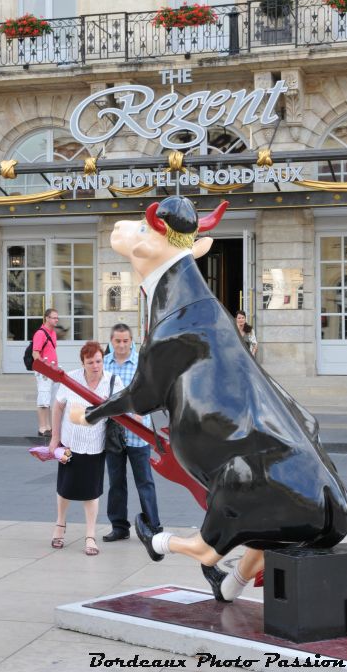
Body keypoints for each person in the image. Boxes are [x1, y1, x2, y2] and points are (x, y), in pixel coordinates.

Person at [68, 196, 347, 601]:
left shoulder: (176, 325)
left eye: (142, 230)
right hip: (316, 498)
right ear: (195, 247)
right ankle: (230, 589)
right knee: (265, 531)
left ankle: (162, 543)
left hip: (257, 471)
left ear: (152, 248)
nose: (127, 232)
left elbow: (143, 396)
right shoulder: (202, 312)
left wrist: (90, 415)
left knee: (226, 529)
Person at [48, 341, 123, 555]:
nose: (95, 366)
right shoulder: (71, 379)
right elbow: (58, 406)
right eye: (90, 362)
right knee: (65, 488)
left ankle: (90, 536)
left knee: (92, 492)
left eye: (98, 361)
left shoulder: (112, 382)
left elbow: (124, 409)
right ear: (83, 363)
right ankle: (60, 525)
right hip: (70, 443)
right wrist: (55, 438)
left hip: (95, 445)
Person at [102, 323, 162, 543]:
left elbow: (152, 393)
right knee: (116, 482)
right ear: (111, 341)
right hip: (113, 433)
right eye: (117, 341)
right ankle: (119, 526)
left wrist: (140, 413)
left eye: (125, 340)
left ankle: (154, 526)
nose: (121, 345)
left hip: (138, 431)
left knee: (144, 481)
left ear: (131, 341)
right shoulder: (104, 363)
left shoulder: (141, 363)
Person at [32, 308, 60, 437]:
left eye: (57, 318)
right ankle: (42, 428)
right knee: (43, 400)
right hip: (44, 372)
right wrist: (44, 369)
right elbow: (35, 353)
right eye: (54, 317)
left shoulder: (53, 333)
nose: (56, 320)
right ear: (47, 318)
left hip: (52, 370)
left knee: (51, 400)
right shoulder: (40, 333)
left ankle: (49, 426)